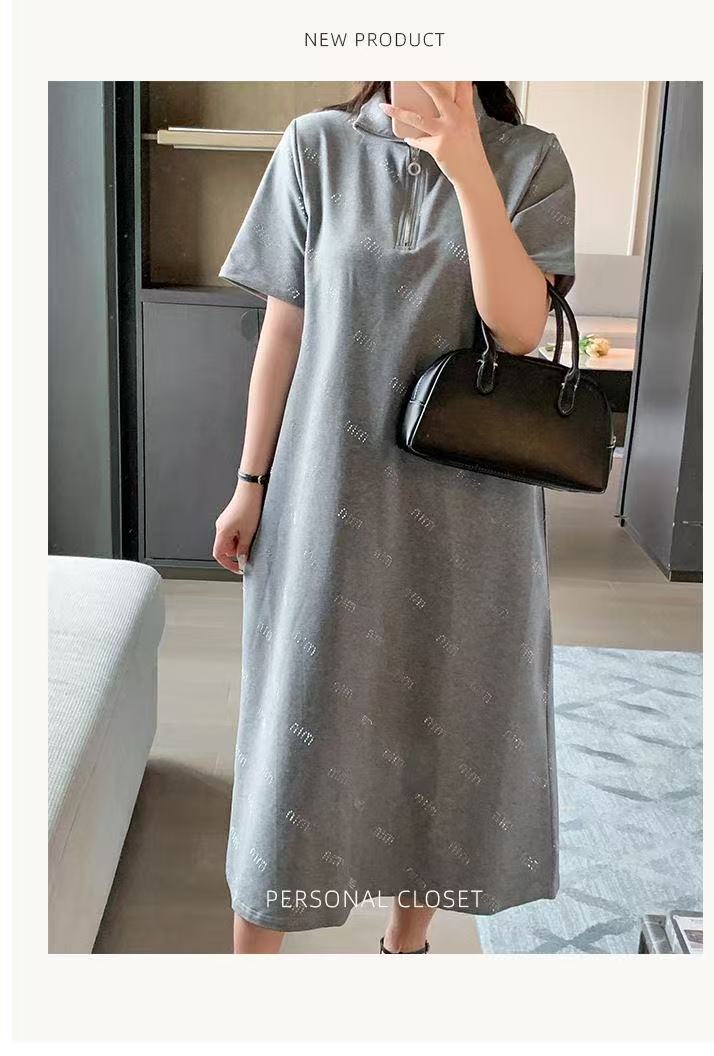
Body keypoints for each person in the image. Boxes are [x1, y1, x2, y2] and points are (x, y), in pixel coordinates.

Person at [214, 81, 575, 954]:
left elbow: (518, 330)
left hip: (471, 515)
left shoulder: (532, 161)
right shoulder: (315, 147)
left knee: (444, 718)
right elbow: (285, 330)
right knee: (296, 733)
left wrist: (467, 165)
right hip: (324, 495)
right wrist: (250, 481)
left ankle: (403, 950)